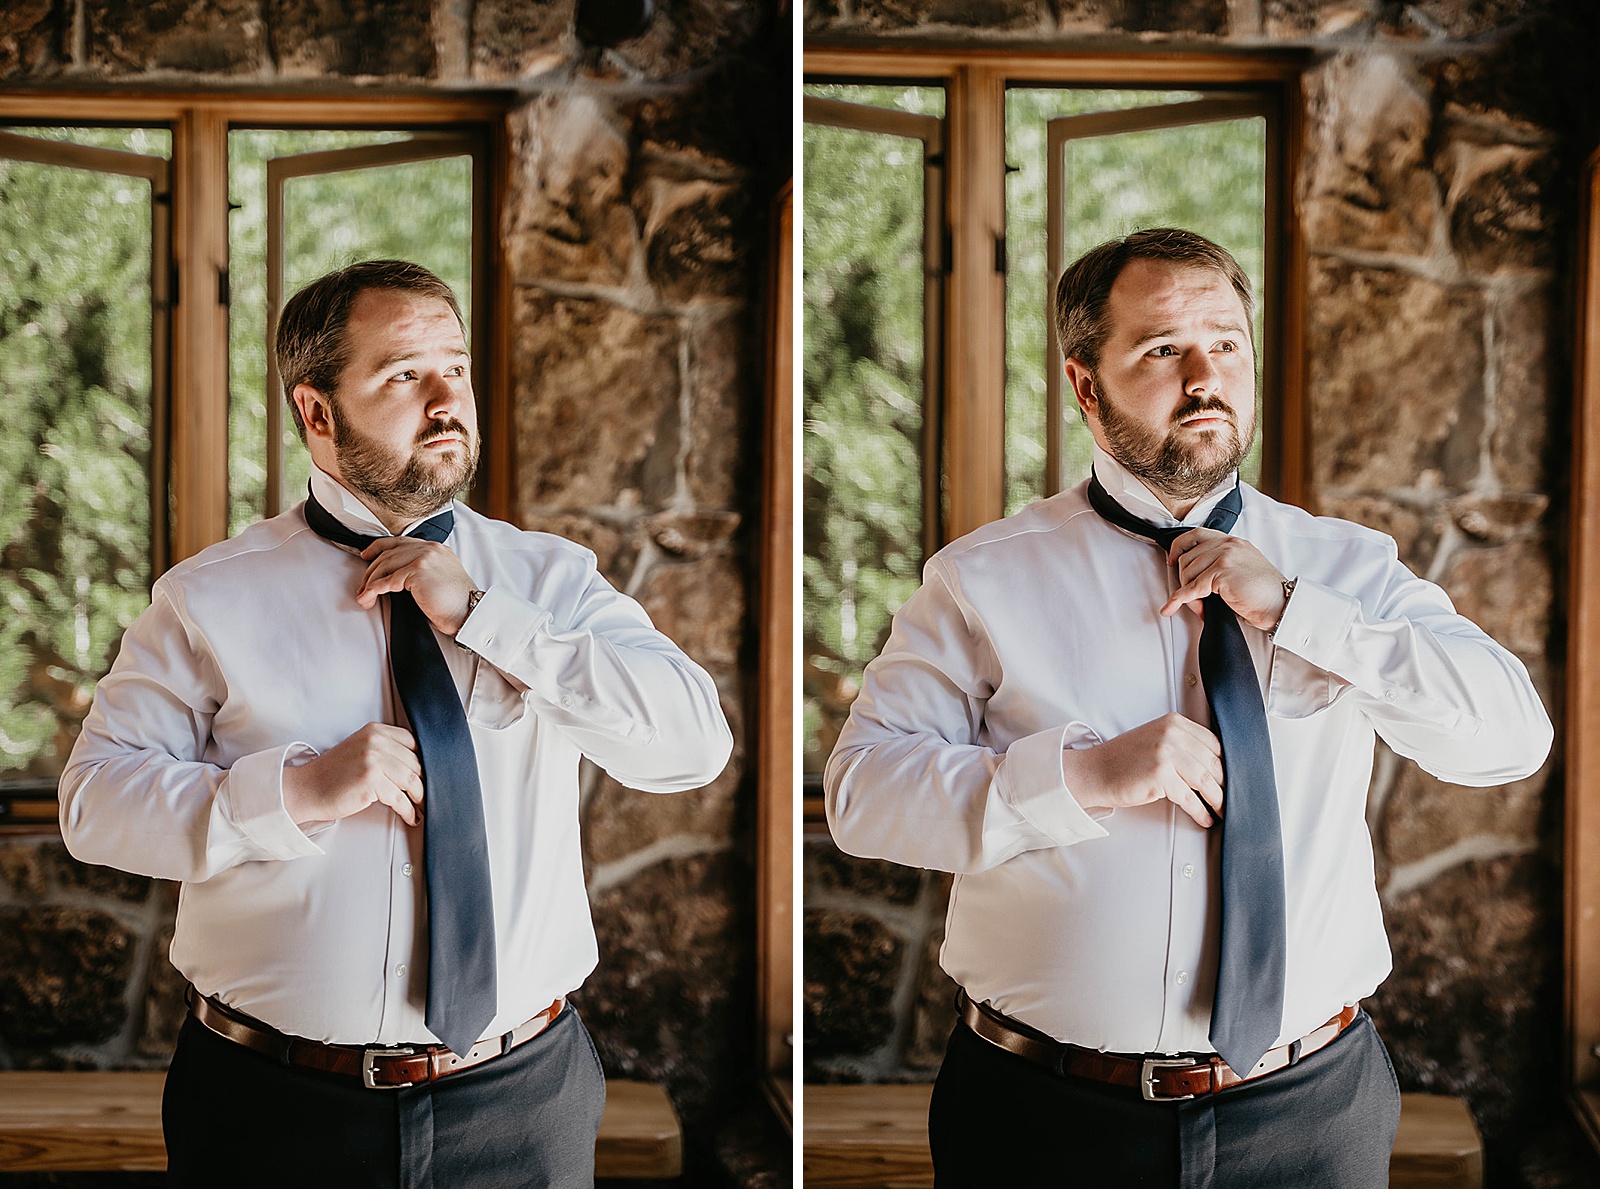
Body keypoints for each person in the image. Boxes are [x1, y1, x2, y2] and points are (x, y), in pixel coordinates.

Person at [824, 228, 1552, 1188]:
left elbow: (1509, 736)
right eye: (1164, 347)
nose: (1207, 373)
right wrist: (1082, 774)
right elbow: (862, 794)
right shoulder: (983, 578)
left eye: (1228, 342)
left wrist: (1300, 614)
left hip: (1310, 1115)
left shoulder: (1346, 568)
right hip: (1041, 1118)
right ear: (1088, 387)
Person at [60, 259, 733, 1188]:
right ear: (318, 411)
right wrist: (294, 791)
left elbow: (694, 745)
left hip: (521, 1103)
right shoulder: (208, 598)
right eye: (404, 373)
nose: (446, 397)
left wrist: (492, 622)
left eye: (454, 368)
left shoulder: (550, 581)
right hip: (270, 1109)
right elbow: (95, 805)